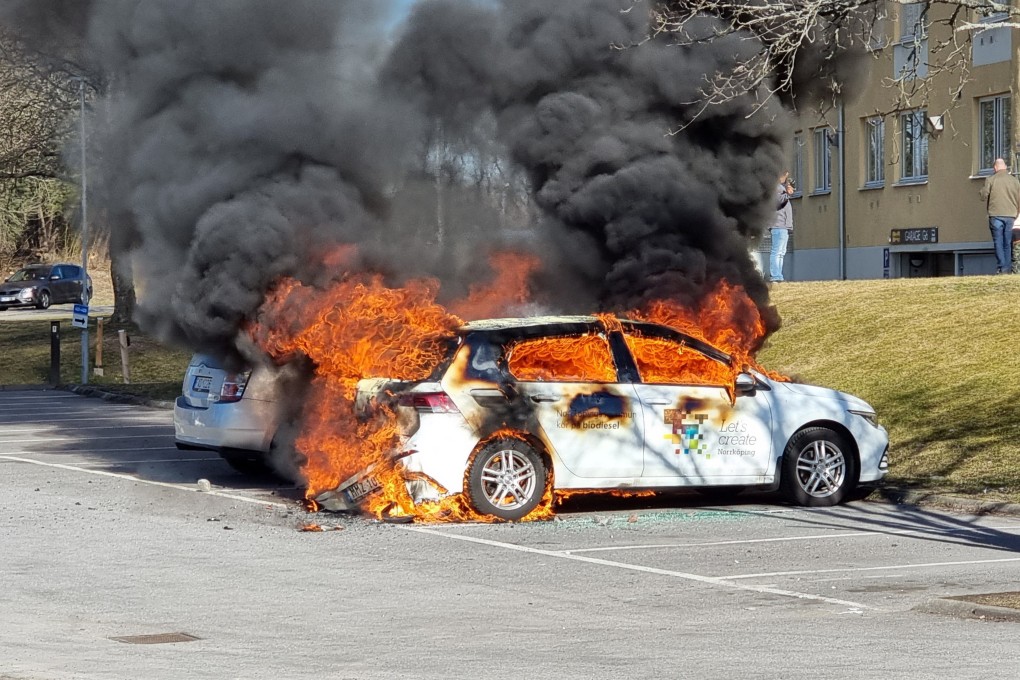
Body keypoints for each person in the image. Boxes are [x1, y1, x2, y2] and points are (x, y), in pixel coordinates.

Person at [979, 157, 1020, 274]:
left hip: (996, 214)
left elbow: (983, 196)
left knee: (998, 241)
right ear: (1005, 167)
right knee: (1007, 242)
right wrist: (1016, 213)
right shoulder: (1015, 181)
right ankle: (1007, 267)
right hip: (1011, 215)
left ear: (995, 168)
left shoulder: (990, 179)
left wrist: (982, 190)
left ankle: (1002, 267)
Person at [769, 171, 795, 283]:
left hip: (783, 225)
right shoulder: (776, 188)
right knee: (777, 251)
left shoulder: (780, 188)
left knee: (781, 252)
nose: (786, 176)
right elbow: (777, 201)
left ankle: (778, 275)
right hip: (778, 224)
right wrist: (787, 194)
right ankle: (775, 275)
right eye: (785, 174)